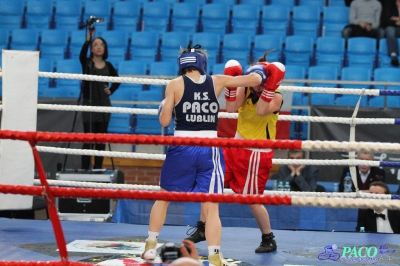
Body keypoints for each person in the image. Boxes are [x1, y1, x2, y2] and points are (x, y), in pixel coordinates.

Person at [141, 44, 265, 266]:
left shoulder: (174, 85)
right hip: (209, 147)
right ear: (201, 63)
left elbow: (164, 121)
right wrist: (263, 71)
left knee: (164, 197)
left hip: (182, 145)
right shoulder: (217, 81)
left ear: (182, 65)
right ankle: (215, 256)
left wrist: (164, 108)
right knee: (211, 205)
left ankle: (150, 247)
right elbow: (255, 81)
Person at [185, 51, 286, 254]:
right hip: (234, 147)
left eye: (262, 82)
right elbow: (231, 107)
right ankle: (203, 227)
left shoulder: (276, 97)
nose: (257, 86)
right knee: (210, 184)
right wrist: (235, 86)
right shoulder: (247, 90)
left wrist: (269, 86)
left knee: (252, 200)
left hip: (256, 153)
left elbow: (261, 111)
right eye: (256, 81)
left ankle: (269, 238)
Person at [79, 28, 120, 170]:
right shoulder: (87, 63)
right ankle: (85, 170)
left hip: (104, 106)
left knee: (100, 140)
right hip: (89, 105)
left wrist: (111, 90)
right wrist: (88, 38)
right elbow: (82, 55)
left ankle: (97, 169)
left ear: (105, 48)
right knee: (88, 139)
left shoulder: (108, 65)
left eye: (101, 45)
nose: (98, 47)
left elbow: (117, 80)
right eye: (95, 44)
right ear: (92, 48)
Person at [380, 0, 400, 66]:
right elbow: (385, 20)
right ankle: (393, 54)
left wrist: (396, 18)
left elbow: (391, 18)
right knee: (389, 30)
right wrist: (396, 22)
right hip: (394, 27)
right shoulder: (389, 3)